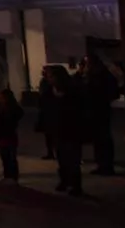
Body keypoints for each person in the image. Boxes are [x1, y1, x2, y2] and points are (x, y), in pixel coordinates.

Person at [82, 55, 120, 176]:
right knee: (99, 139)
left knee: (103, 138)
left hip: (99, 110)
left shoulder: (101, 76)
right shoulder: (96, 75)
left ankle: (106, 165)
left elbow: (112, 92)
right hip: (97, 109)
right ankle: (102, 164)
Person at [50, 66, 85, 196]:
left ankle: (75, 185)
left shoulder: (72, 92)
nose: (51, 79)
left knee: (73, 159)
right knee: (61, 157)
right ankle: (65, 181)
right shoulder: (51, 92)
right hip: (58, 129)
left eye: (53, 77)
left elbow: (79, 110)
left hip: (71, 129)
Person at [0, 88, 24, 182]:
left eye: (2, 97)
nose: (0, 99)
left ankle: (13, 176)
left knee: (11, 157)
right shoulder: (1, 108)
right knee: (4, 157)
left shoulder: (12, 109)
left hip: (9, 134)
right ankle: (7, 175)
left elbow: (16, 116)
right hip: (2, 135)